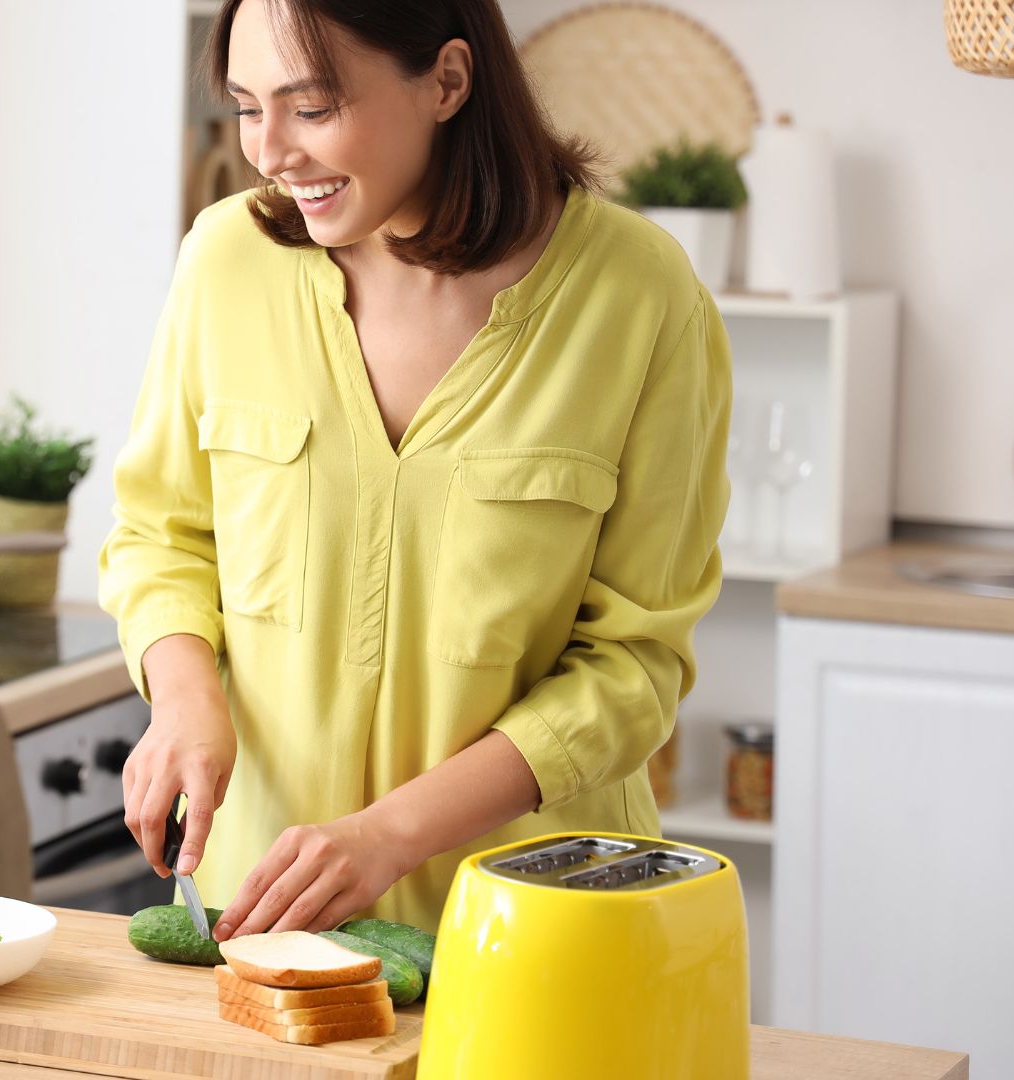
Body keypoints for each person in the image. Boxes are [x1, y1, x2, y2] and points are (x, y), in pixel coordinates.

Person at [98, 0, 731, 940]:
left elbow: (634, 666)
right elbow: (161, 536)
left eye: (310, 109)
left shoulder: (640, 295)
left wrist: (390, 835)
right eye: (245, 106)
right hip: (264, 922)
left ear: (446, 80)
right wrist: (185, 700)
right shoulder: (226, 260)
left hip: (537, 931)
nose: (269, 151)